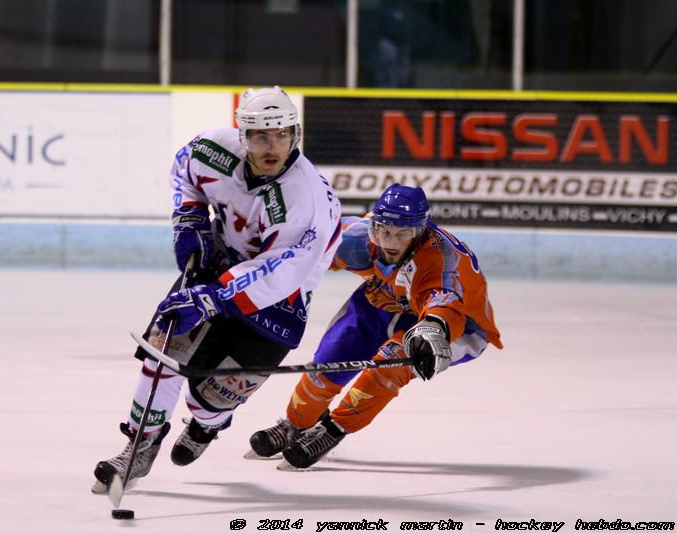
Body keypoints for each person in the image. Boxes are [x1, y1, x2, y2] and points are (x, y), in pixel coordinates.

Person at [92, 86, 342, 493]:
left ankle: (207, 424)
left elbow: (282, 271)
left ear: (295, 134)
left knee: (210, 398)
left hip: (278, 302)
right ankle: (139, 445)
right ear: (243, 136)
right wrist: (189, 217)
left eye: (281, 135)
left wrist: (214, 298)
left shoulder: (306, 198)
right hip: (215, 267)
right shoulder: (213, 148)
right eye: (261, 136)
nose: (272, 147)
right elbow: (185, 169)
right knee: (163, 353)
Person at [248, 184, 502, 469]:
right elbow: (307, 250)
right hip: (386, 299)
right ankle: (296, 424)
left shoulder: (439, 260)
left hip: (457, 325)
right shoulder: (359, 239)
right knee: (330, 361)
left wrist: (432, 330)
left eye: (401, 233)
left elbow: (446, 305)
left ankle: (334, 429)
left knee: (392, 364)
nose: (390, 241)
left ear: (419, 232)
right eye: (384, 230)